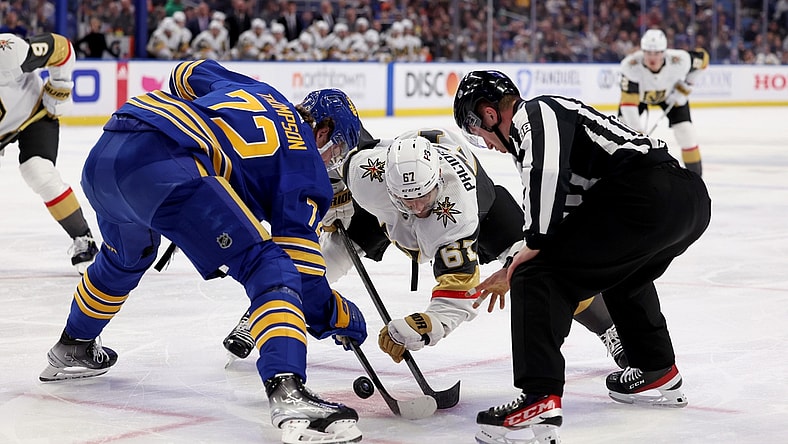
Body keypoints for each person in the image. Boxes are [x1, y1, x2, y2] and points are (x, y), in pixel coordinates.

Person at [39, 60, 366, 444]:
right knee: (270, 267)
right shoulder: (308, 168)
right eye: (338, 147)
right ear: (323, 130)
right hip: (166, 167)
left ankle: (73, 346)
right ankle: (289, 393)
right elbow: (303, 276)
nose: (333, 159)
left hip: (111, 147)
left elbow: (184, 73)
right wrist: (339, 315)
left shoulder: (263, 92)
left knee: (125, 258)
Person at [225, 115, 627, 369]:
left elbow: (459, 295)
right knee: (327, 254)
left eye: (423, 196)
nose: (418, 206)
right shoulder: (366, 171)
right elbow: (333, 179)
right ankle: (266, 306)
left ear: (437, 182)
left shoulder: (455, 213)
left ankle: (612, 331)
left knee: (538, 271)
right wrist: (335, 212)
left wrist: (424, 327)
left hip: (487, 213)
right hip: (389, 212)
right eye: (408, 198)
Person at [453, 70, 710, 444]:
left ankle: (539, 396)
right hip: (684, 203)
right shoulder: (536, 137)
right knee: (623, 276)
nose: (485, 143)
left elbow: (547, 187)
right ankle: (657, 368)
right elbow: (567, 221)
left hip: (649, 194)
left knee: (538, 275)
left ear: (489, 114)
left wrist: (525, 260)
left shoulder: (535, 114)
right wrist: (516, 260)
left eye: (476, 130)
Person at [0, 32, 98, 274]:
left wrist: (60, 86)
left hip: (33, 113)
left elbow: (61, 49)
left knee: (38, 171)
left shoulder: (7, 52)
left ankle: (83, 237)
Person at [619, 28, 709, 176]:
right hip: (639, 98)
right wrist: (638, 133)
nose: (652, 58)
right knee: (621, 132)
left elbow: (704, 59)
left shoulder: (680, 60)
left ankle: (696, 181)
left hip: (671, 95)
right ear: (642, 51)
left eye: (657, 53)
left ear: (665, 52)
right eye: (648, 52)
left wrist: (687, 85)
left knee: (687, 134)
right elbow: (629, 105)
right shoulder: (631, 66)